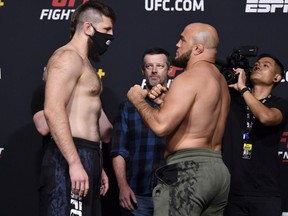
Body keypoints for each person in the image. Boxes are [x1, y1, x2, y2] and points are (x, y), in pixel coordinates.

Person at [127, 22, 231, 216]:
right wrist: (165, 102)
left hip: (189, 171)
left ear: (198, 48)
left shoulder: (189, 77)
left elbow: (160, 126)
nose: (177, 44)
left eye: (182, 39)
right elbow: (199, 115)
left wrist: (138, 100)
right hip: (218, 171)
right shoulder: (221, 81)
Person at [42, 1, 116, 215]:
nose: (111, 36)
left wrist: (98, 165)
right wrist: (74, 163)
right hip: (69, 158)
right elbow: (53, 110)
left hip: (88, 155)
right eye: (107, 30)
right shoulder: (67, 57)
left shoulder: (86, 63)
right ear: (87, 28)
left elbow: (89, 118)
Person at [222, 53, 288, 216]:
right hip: (231, 194)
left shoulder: (280, 104)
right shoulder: (232, 99)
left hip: (265, 194)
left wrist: (244, 89)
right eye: (257, 64)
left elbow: (266, 117)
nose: (258, 66)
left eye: (266, 65)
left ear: (277, 77)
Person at [111, 47, 171, 216]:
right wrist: (123, 186)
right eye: (149, 66)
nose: (154, 71)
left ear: (169, 69)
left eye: (159, 66)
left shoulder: (177, 104)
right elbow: (118, 151)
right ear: (142, 70)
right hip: (136, 194)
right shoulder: (128, 107)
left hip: (172, 193)